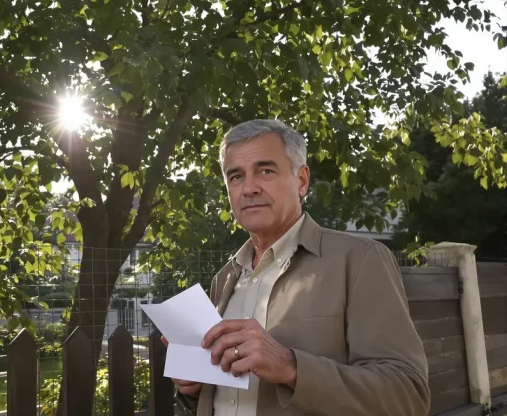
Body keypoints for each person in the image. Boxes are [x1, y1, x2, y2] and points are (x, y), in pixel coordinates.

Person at [163, 120, 430, 416]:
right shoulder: (225, 278)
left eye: (266, 171)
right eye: (236, 176)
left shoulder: (360, 260)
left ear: (302, 181)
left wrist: (291, 367)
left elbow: (408, 395)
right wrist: (195, 389)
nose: (249, 188)